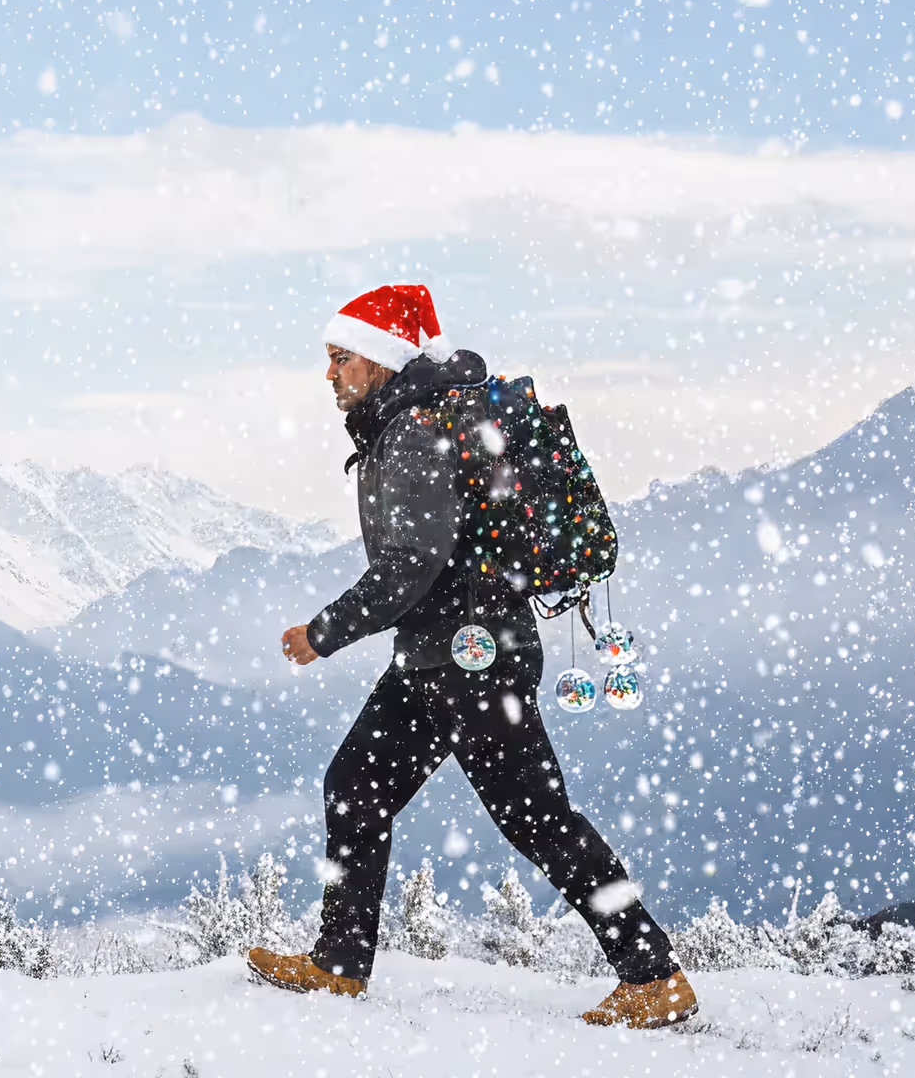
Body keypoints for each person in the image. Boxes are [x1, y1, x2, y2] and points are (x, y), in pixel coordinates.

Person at [245, 284, 698, 1030]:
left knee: (539, 819)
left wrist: (322, 633)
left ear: (382, 362)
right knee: (355, 788)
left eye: (340, 359)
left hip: (473, 660)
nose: (329, 375)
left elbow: (410, 567)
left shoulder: (416, 433)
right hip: (438, 657)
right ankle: (338, 964)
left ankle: (653, 975)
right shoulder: (401, 426)